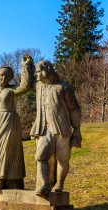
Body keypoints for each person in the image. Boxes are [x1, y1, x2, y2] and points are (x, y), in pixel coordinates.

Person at [0, 55, 34, 191]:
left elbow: (26, 86)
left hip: (9, 121)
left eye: (7, 76)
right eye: (1, 75)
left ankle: (2, 179)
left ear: (10, 78)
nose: (3, 78)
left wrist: (25, 67)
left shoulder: (12, 90)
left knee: (5, 149)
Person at [30, 60, 82, 196]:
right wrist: (26, 66)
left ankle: (60, 183)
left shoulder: (63, 87)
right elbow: (25, 83)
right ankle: (45, 184)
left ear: (45, 71)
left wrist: (76, 128)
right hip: (44, 129)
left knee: (62, 159)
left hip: (62, 128)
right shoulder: (38, 87)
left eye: (37, 71)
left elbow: (74, 108)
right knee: (40, 156)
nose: (36, 74)